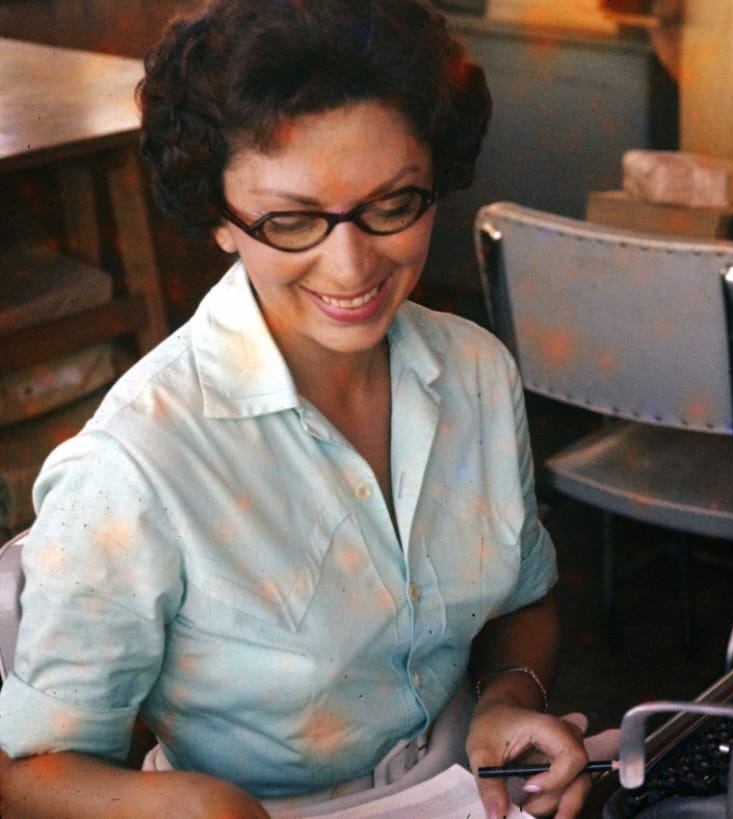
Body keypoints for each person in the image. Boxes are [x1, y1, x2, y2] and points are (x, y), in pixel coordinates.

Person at [0, 1, 594, 816]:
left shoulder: (475, 372)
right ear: (218, 216)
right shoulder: (137, 468)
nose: (351, 267)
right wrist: (202, 808)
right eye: (289, 221)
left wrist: (507, 698)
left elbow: (520, 598)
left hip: (466, 790)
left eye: (394, 204)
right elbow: (29, 773)